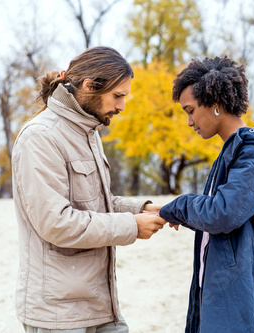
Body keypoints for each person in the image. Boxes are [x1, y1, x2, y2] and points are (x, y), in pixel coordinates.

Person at [11, 46, 166, 333]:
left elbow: (94, 204)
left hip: (99, 304)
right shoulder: (41, 137)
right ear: (89, 86)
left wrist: (140, 209)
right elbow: (56, 223)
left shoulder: (89, 131)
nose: (122, 106)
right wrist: (132, 226)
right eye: (117, 96)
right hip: (59, 314)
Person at [158, 56, 254, 332]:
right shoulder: (233, 151)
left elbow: (223, 213)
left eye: (191, 110)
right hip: (224, 294)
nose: (188, 121)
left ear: (216, 104)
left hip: (241, 300)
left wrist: (180, 206)